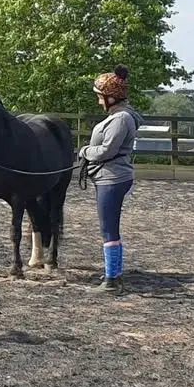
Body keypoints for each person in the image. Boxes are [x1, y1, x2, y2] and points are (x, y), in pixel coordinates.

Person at [78, 64, 144, 293]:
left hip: (112, 177)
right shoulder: (119, 115)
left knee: (109, 228)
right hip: (109, 176)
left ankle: (112, 280)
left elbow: (108, 150)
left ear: (112, 98)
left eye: (100, 97)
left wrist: (85, 151)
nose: (98, 102)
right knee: (109, 227)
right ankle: (112, 273)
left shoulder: (120, 119)